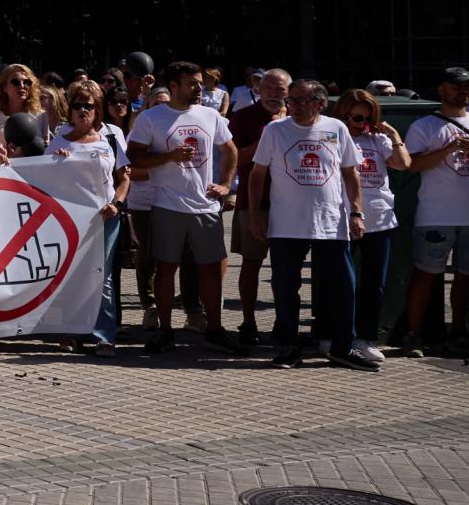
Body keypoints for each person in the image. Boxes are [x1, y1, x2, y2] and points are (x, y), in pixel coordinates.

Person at [247, 80, 377, 371]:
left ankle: (343, 347)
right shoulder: (275, 131)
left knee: (343, 286)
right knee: (285, 288)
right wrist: (256, 214)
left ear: (320, 103)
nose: (293, 106)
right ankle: (289, 347)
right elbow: (258, 174)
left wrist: (357, 213)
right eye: (291, 100)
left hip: (330, 222)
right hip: (286, 224)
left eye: (302, 101)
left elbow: (350, 173)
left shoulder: (337, 128)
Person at [127, 61, 242, 355]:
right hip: (167, 204)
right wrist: (169, 156)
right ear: (174, 86)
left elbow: (230, 150)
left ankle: (214, 329)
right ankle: (166, 330)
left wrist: (226, 185)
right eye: (192, 83)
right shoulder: (152, 118)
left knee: (212, 270)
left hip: (205, 206)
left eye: (200, 83)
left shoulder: (210, 115)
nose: (199, 88)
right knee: (165, 268)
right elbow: (135, 159)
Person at [397, 67, 469, 358]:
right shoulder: (425, 125)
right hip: (436, 215)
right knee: (426, 275)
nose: (464, 91)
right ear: (441, 90)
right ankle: (413, 334)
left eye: (468, 86)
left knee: (465, 278)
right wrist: (447, 149)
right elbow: (412, 165)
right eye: (457, 86)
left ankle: (459, 332)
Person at [332, 88, 410, 363]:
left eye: (367, 119)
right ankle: (335, 336)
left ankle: (365, 338)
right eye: (356, 118)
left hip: (381, 218)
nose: (361, 124)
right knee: (342, 284)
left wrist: (394, 135)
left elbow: (403, 164)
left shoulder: (377, 139)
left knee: (374, 284)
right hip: (343, 219)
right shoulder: (333, 136)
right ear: (342, 114)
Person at [51, 81, 128, 356]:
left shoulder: (110, 139)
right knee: (72, 275)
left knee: (102, 276)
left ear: (98, 110)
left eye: (90, 105)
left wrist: (116, 204)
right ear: (70, 109)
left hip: (106, 218)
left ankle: (104, 335)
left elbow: (123, 178)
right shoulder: (58, 141)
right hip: (71, 220)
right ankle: (71, 334)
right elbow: (45, 181)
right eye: (78, 105)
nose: (84, 110)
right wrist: (55, 163)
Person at [227, 69, 291, 346]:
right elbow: (235, 160)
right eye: (270, 89)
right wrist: (266, 138)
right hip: (254, 203)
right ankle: (249, 322)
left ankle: (284, 322)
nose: (275, 95)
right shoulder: (242, 118)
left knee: (287, 269)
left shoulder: (299, 117)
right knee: (252, 265)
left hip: (291, 206)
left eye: (281, 90)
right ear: (259, 90)